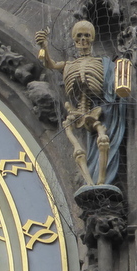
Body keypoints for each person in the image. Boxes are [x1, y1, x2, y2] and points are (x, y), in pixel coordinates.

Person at [36, 21, 125, 188]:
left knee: (103, 139)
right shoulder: (68, 64)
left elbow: (113, 80)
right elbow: (50, 64)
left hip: (97, 110)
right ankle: (89, 181)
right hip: (76, 111)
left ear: (92, 39)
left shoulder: (102, 63)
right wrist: (44, 46)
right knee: (76, 142)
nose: (83, 40)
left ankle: (100, 180)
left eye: (86, 36)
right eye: (79, 36)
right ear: (74, 39)